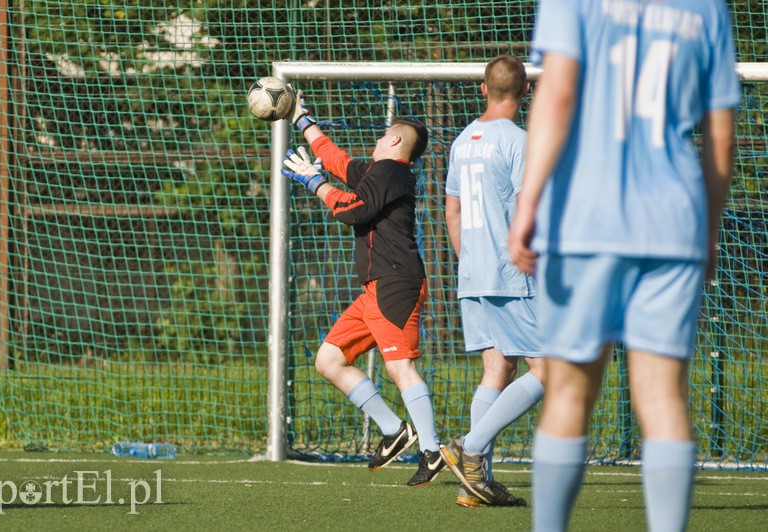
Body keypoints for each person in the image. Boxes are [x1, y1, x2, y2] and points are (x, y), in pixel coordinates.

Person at [507, 1, 740, 530]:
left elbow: (559, 92)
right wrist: (706, 228)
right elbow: (721, 137)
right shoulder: (708, 8)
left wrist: (528, 203)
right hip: (673, 223)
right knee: (662, 396)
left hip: (583, 220)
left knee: (568, 392)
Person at [281, 89, 446, 487]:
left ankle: (432, 451)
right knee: (329, 360)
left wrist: (314, 181)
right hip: (375, 287)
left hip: (395, 283)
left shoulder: (391, 172)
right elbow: (337, 159)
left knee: (399, 366)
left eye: (379, 136)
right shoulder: (379, 173)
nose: (373, 142)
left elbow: (354, 210)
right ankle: (394, 431)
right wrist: (303, 122)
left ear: (393, 140)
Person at [439, 55, 544, 508]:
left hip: (473, 272)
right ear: (525, 93)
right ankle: (471, 446)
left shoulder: (462, 141)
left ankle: (474, 487)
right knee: (550, 371)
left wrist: (470, 263)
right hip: (512, 273)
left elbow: (452, 211)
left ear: (483, 89)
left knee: (497, 370)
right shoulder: (521, 141)